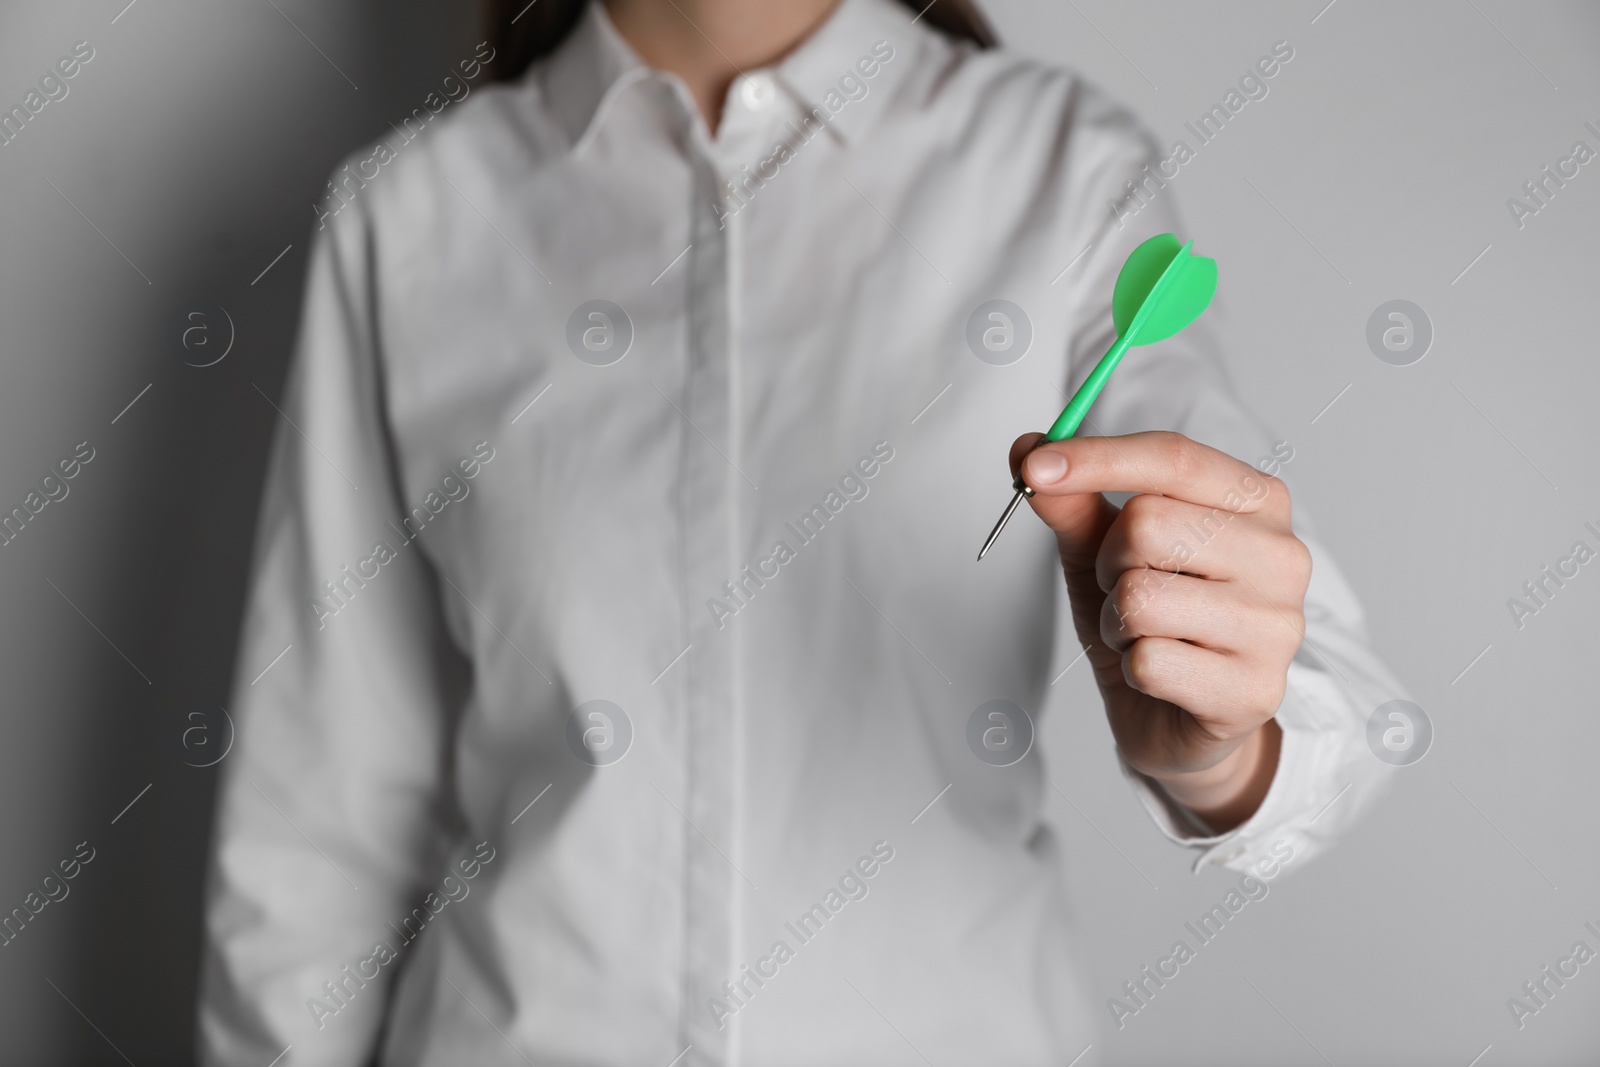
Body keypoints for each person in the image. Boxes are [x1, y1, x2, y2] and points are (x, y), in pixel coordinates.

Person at [198, 0, 1405, 1063]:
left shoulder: (1062, 168)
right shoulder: (406, 217)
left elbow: (1323, 699)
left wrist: (1214, 745)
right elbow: (314, 827)